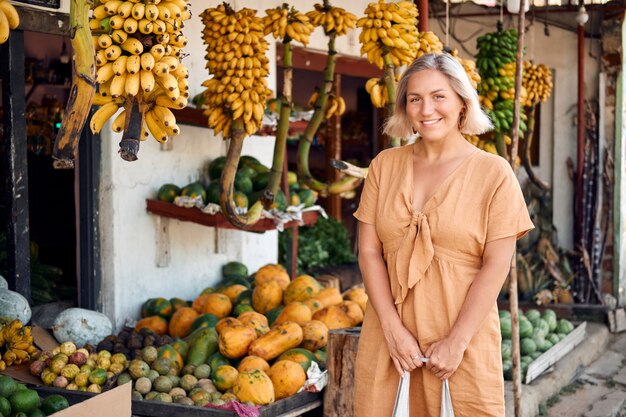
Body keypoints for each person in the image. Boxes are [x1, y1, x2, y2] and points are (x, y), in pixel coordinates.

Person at [353, 52, 534, 417]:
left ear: (462, 102)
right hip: (390, 339)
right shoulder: (384, 166)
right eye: (414, 99)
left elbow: (497, 264)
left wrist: (457, 342)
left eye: (439, 96)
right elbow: (369, 252)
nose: (426, 109)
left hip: (460, 340)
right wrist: (392, 330)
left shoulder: (494, 173)